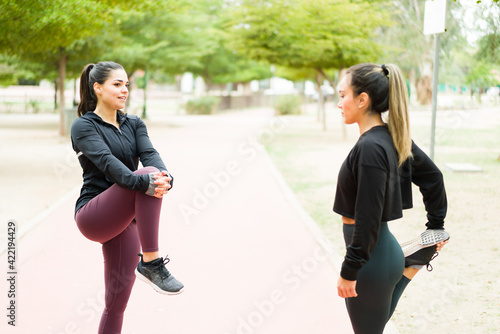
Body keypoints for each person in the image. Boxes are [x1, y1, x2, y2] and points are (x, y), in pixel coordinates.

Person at [333, 63, 450, 334]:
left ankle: (412, 261)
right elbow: (433, 176)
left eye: (342, 95)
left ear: (362, 100)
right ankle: (412, 263)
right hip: (379, 257)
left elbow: (368, 217)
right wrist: (436, 225)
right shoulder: (389, 138)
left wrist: (349, 270)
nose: (339, 103)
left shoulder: (370, 148)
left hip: (371, 261)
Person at [71, 61, 184, 334]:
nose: (124, 91)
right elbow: (109, 164)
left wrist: (165, 176)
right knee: (147, 173)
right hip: (94, 214)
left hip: (126, 220)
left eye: (126, 85)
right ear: (97, 88)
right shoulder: (84, 127)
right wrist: (147, 179)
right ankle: (151, 262)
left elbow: (150, 154)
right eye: (117, 84)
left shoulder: (133, 123)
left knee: (116, 305)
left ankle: (149, 264)